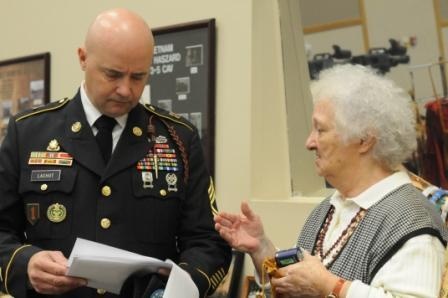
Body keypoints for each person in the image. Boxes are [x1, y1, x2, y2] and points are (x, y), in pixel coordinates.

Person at [0, 8, 231, 298]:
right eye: (113, 74)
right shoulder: (29, 132)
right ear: (83, 58)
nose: (126, 90)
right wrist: (25, 263)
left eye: (138, 77)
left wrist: (180, 288)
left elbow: (207, 242)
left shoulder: (178, 138)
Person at [215, 64, 448, 298]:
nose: (309, 142)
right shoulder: (328, 209)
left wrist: (329, 287)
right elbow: (298, 287)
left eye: (320, 130)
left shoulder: (412, 220)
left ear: (364, 140)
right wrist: (261, 248)